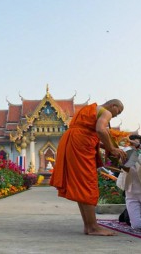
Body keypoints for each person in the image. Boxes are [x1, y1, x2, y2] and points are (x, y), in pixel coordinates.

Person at [50, 99, 126, 236]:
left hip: (71, 141)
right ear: (113, 106)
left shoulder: (89, 109)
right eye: (118, 111)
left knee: (81, 185)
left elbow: (90, 132)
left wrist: (108, 147)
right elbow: (100, 130)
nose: (116, 115)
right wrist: (112, 149)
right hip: (80, 145)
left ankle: (89, 226)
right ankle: (93, 227)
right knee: (88, 184)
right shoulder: (106, 112)